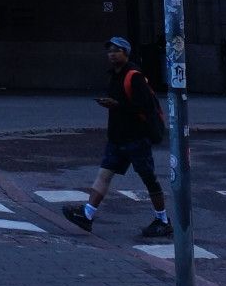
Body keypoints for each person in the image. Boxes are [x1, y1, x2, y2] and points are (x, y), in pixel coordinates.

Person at [62, 36, 171, 239]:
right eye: (109, 51)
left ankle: (163, 220)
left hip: (136, 138)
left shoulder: (134, 76)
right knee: (104, 174)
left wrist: (117, 105)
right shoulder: (114, 75)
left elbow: (145, 107)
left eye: (116, 50)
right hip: (117, 137)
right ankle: (87, 215)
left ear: (126, 53)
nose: (111, 54)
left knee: (149, 178)